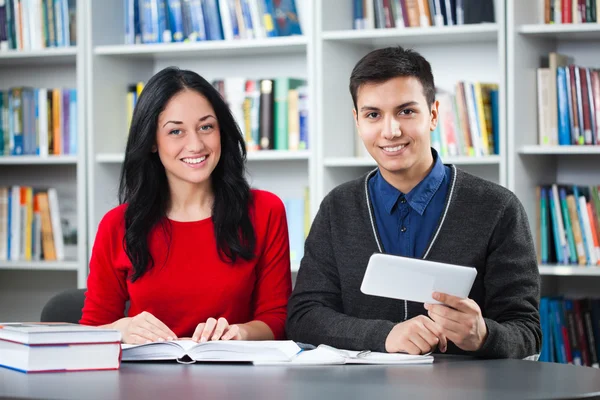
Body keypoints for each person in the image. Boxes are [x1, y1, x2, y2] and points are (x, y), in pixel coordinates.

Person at [286, 46, 541, 359]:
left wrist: (483, 335)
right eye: (373, 115)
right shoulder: (337, 208)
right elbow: (304, 317)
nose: (391, 131)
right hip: (362, 392)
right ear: (357, 121)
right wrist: (385, 335)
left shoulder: (498, 208)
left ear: (433, 115)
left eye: (406, 111)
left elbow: (527, 332)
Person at [80, 67, 292, 344]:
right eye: (176, 131)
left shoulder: (265, 210)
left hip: (235, 378)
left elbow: (276, 318)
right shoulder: (118, 224)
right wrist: (119, 330)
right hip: (143, 382)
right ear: (152, 142)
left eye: (206, 127)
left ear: (221, 131)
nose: (195, 144)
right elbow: (91, 329)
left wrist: (241, 332)